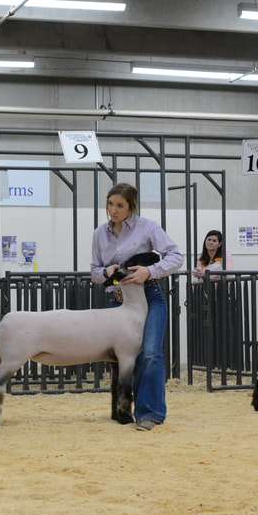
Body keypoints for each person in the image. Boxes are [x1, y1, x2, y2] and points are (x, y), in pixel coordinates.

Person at [91, 183, 184, 431]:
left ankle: (149, 413)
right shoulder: (99, 234)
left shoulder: (148, 227)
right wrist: (105, 272)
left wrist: (149, 271)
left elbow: (176, 256)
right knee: (126, 357)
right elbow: (94, 271)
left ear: (131, 207)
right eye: (110, 204)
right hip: (118, 301)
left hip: (149, 296)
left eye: (120, 205)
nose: (113, 210)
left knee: (150, 352)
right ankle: (123, 409)